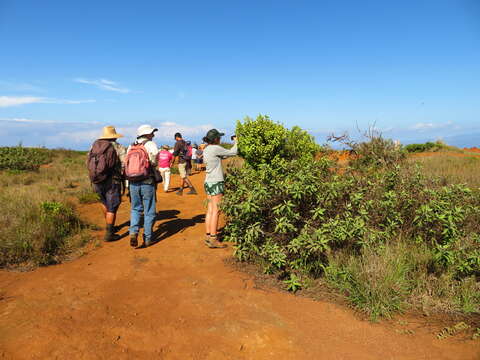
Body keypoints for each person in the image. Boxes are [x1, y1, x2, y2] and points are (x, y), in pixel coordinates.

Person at [87, 126, 126, 242]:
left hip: (97, 179)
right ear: (114, 136)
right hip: (112, 180)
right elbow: (124, 164)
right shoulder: (118, 147)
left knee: (104, 202)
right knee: (113, 206)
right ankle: (109, 233)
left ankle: (109, 225)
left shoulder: (94, 145)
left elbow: (88, 161)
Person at [202, 129, 238, 248]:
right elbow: (234, 152)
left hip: (208, 181)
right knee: (216, 211)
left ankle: (208, 235)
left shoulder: (207, 149)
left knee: (210, 209)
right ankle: (213, 238)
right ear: (216, 139)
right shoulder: (215, 148)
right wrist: (236, 141)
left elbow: (220, 157)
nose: (220, 139)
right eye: (219, 138)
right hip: (216, 181)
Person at [125, 124, 159, 248]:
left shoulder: (131, 146)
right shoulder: (150, 144)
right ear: (147, 134)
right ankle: (148, 238)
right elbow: (155, 160)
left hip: (133, 181)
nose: (153, 135)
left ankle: (133, 232)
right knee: (149, 210)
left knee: (135, 209)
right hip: (147, 181)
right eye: (152, 133)